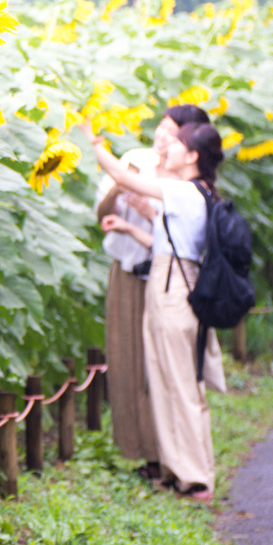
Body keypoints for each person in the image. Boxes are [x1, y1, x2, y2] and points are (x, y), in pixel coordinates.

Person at [81, 104, 225, 504]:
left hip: (171, 291)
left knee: (178, 385)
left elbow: (122, 175)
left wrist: (94, 141)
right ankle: (185, 474)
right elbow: (165, 244)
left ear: (193, 155)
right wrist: (131, 225)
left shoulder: (182, 190)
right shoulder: (203, 192)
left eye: (176, 140)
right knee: (173, 383)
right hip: (177, 283)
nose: (167, 145)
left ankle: (194, 479)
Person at [94, 116, 178, 480]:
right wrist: (119, 183)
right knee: (126, 360)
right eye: (161, 128)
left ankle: (168, 453)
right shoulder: (132, 159)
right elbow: (101, 216)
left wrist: (149, 211)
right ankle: (142, 452)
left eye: (173, 134)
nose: (162, 137)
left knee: (158, 365)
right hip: (126, 273)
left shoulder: (183, 179)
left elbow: (185, 234)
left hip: (163, 276)